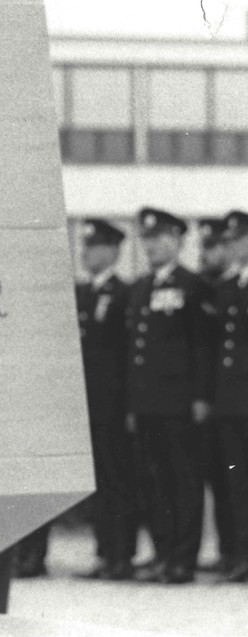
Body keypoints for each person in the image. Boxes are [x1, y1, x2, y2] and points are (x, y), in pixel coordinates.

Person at [126, 207, 215, 584]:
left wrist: (199, 397)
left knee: (183, 480)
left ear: (178, 241)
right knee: (154, 482)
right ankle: (163, 553)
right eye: (147, 239)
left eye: (160, 238)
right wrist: (132, 404)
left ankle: (182, 559)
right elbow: (136, 352)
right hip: (147, 404)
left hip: (180, 404)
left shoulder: (194, 286)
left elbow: (203, 346)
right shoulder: (141, 287)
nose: (152, 246)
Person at [74, 219, 138, 580]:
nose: (86, 253)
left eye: (95, 246)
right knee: (98, 482)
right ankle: (104, 553)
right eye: (84, 246)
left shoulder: (124, 293)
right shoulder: (82, 294)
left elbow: (128, 355)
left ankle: (121, 554)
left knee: (119, 480)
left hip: (113, 405)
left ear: (113, 251)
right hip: (89, 407)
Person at [197, 216, 237, 575]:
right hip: (222, 401)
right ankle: (230, 551)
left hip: (237, 402)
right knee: (225, 481)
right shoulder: (217, 289)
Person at [210, 210, 248, 582]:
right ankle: (239, 554)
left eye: (240, 239)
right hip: (232, 401)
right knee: (236, 483)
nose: (235, 247)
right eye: (231, 241)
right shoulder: (229, 286)